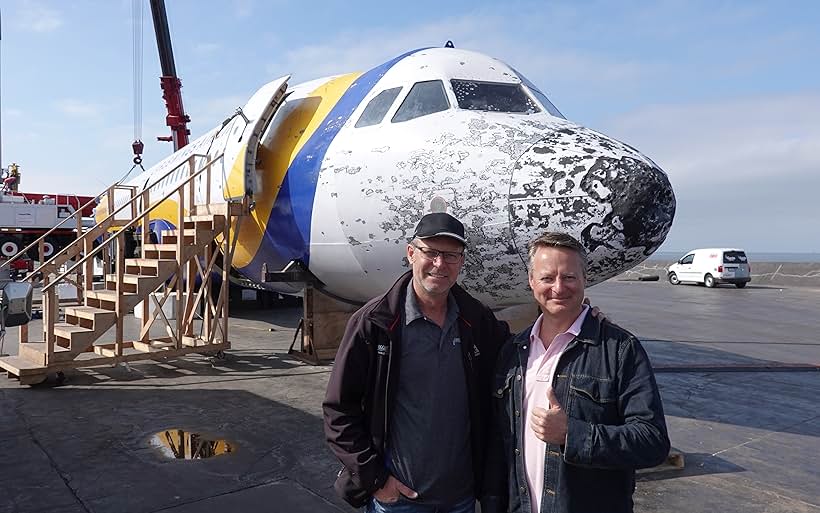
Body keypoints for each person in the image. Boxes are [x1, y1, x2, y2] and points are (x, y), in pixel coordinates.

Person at [323, 212, 511, 513]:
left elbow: (520, 348)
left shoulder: (475, 321)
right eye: (431, 252)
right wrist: (375, 479)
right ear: (411, 253)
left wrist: (569, 317)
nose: (440, 264)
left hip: (460, 500)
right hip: (398, 501)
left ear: (461, 262)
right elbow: (338, 411)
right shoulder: (375, 324)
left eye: (451, 255)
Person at [483, 232, 670, 513]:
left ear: (585, 280)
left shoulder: (620, 349)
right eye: (547, 278)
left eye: (569, 277)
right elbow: (499, 446)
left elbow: (652, 441)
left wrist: (573, 434)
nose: (558, 287)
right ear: (532, 282)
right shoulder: (512, 351)